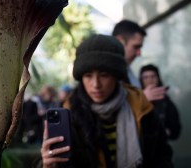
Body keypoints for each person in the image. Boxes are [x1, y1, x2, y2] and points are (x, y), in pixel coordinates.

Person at [39, 34, 173, 168]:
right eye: (88, 76)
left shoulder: (142, 107)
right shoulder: (70, 114)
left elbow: (162, 156)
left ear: (116, 75)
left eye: (104, 75)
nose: (95, 84)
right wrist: (46, 164)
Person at [112, 20, 167, 102]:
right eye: (136, 47)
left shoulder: (127, 71)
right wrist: (142, 99)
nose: (139, 53)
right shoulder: (108, 71)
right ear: (119, 41)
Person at [140, 64, 181, 140]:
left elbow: (175, 131)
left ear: (158, 78)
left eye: (153, 76)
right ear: (141, 80)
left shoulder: (166, 102)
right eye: (145, 77)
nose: (149, 80)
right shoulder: (135, 100)